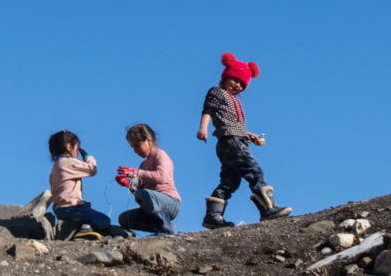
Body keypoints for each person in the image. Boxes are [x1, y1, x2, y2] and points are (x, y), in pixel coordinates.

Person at [196, 52, 292, 228]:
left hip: (234, 139)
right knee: (253, 170)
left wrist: (249, 135)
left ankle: (213, 216)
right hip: (231, 142)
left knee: (230, 181)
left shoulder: (234, 101)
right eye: (235, 80)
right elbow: (208, 110)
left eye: (242, 84)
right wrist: (203, 128)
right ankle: (268, 209)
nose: (237, 85)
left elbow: (233, 124)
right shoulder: (217, 92)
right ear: (226, 77)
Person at [114, 123, 181, 235]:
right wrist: (128, 184)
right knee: (124, 218)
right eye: (132, 147)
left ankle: (166, 228)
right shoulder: (143, 164)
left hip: (170, 203)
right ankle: (159, 228)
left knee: (143, 194)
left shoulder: (160, 155)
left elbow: (161, 177)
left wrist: (136, 173)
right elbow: (139, 191)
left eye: (137, 145)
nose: (135, 150)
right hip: (154, 205)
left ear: (149, 140)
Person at [48, 130, 110, 233]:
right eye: (77, 149)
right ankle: (87, 231)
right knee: (103, 219)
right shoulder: (69, 162)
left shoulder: (55, 168)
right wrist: (87, 156)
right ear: (68, 146)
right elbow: (92, 169)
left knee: (86, 209)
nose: (77, 153)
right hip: (71, 209)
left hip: (59, 210)